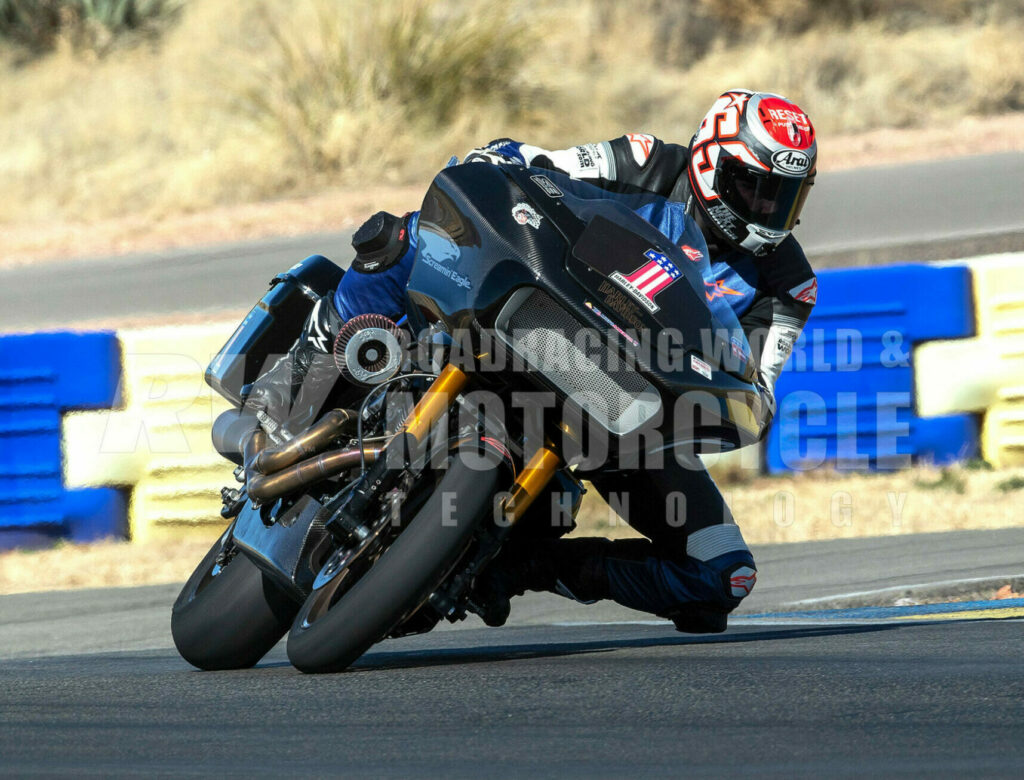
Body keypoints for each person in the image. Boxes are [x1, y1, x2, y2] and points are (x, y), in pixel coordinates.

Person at [246, 89, 819, 633]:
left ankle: (518, 565)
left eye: (785, 197)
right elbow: (538, 164)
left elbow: (757, 393)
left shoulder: (790, 286)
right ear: (710, 163)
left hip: (627, 415)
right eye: (753, 188)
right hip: (537, 318)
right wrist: (503, 158)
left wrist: (719, 402)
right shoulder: (646, 162)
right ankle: (299, 376)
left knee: (721, 577)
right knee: (409, 234)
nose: (768, 210)